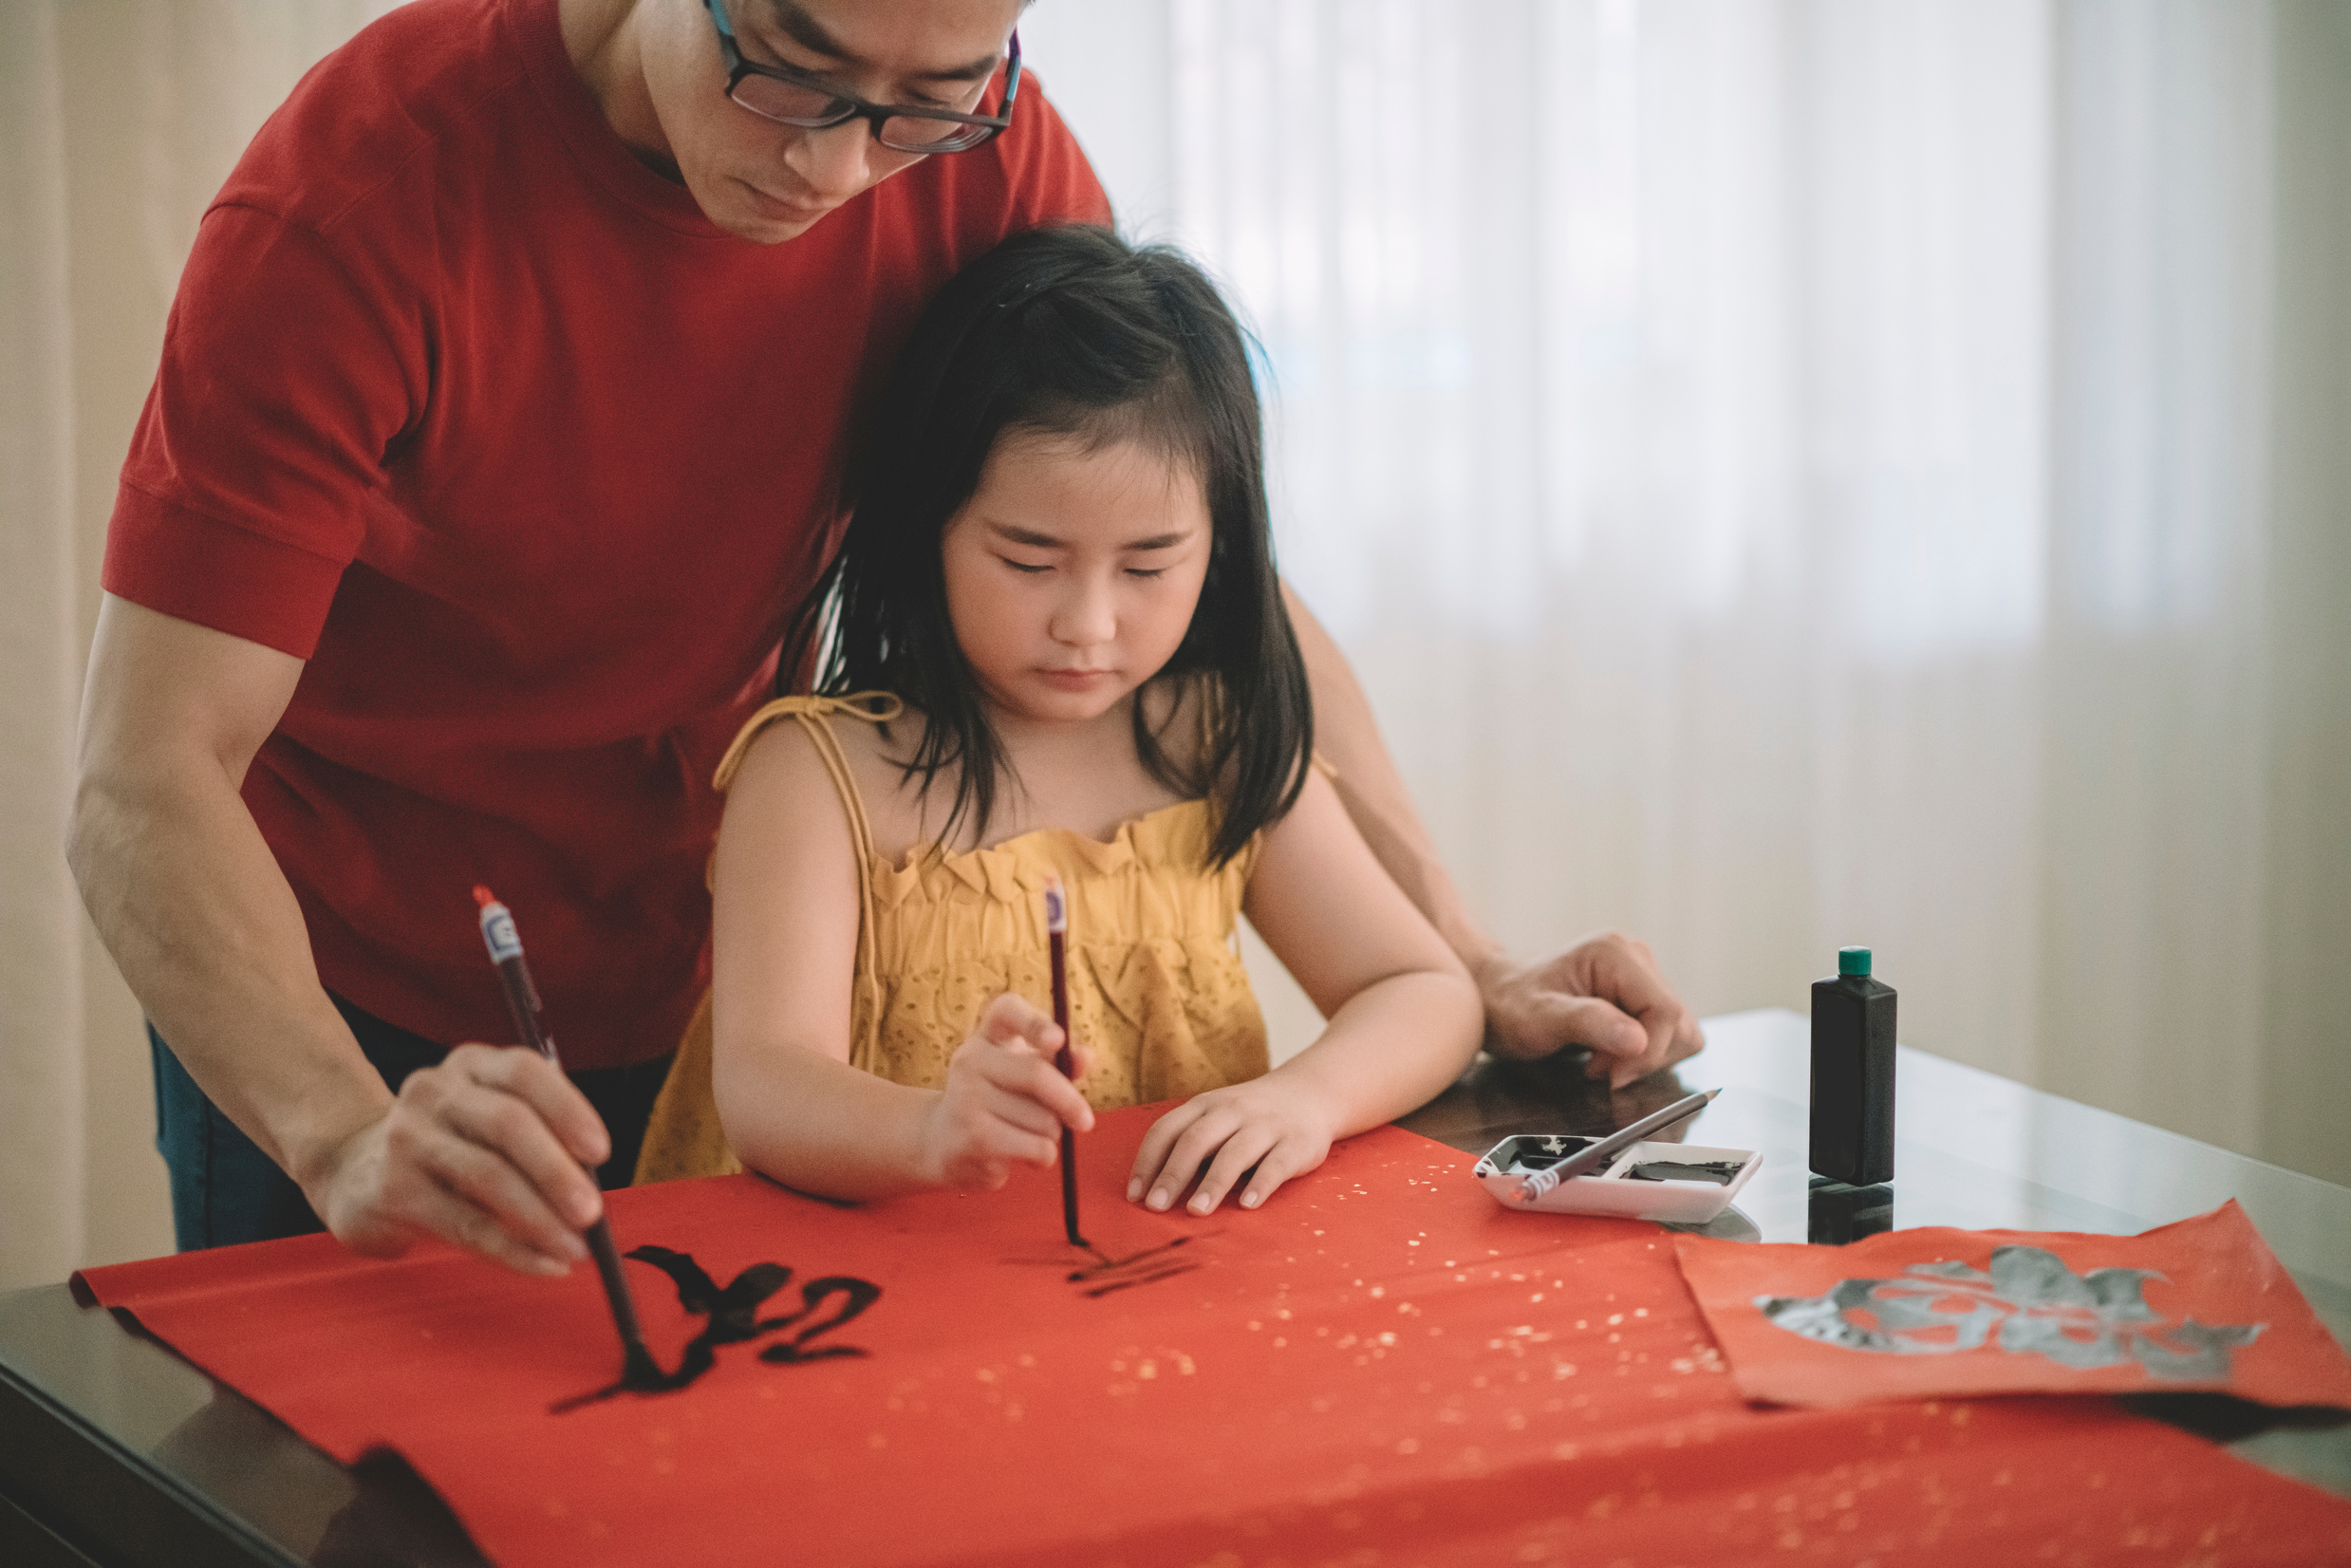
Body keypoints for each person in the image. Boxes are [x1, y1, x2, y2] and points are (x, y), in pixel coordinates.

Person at [69, 0, 1701, 1279]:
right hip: (359, 982)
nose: (842, 168)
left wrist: (1470, 965)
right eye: (793, 71)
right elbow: (147, 780)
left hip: (733, 974)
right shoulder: (363, 200)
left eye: (931, 97)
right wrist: (342, 1131)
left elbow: (1195, 562)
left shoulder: (976, 149)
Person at [634, 226, 1484, 1209]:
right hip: (870, 1291)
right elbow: (766, 1083)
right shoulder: (818, 774)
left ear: (1222, 546)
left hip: (1138, 1284)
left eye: (1147, 565)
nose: (1087, 624)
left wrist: (1305, 1099)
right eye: (1028, 560)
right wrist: (927, 1127)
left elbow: (1422, 990)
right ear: (927, 527)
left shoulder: (1209, 738)